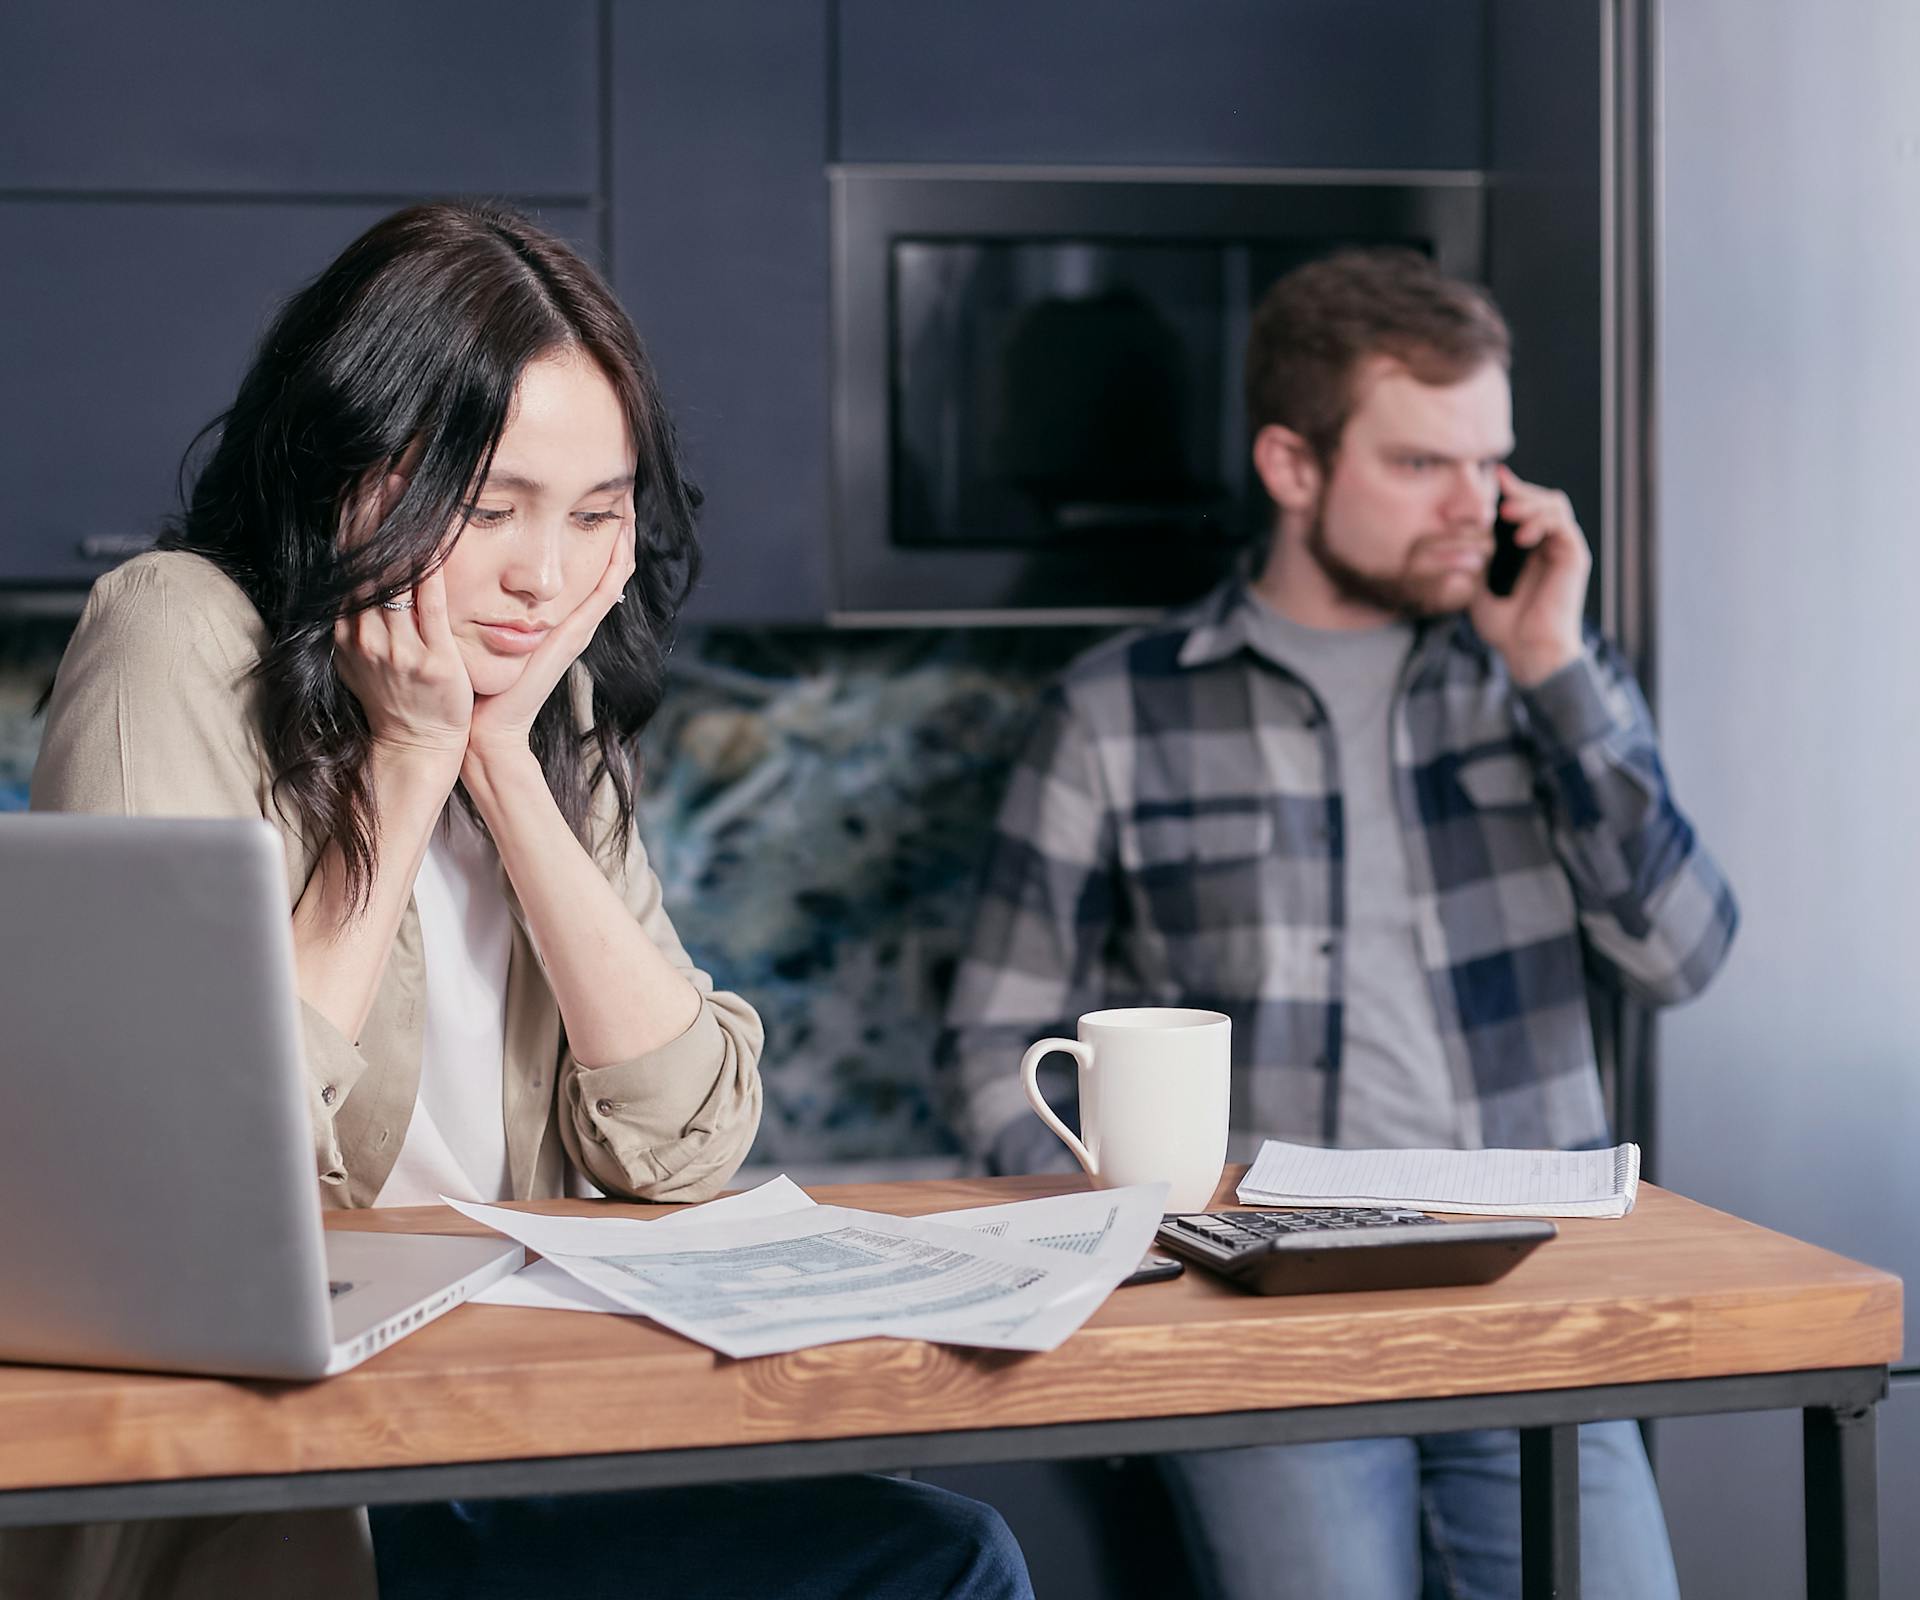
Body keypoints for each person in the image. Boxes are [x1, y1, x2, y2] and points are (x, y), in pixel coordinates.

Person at [8, 201, 1031, 1600]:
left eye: (594, 518)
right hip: (294, 1472)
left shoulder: (550, 700)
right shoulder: (177, 631)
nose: (543, 578)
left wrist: (500, 753)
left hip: (521, 1431)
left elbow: (684, 1142)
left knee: (944, 1557)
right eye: (492, 509)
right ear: (352, 474)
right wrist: (411, 761)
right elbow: (171, 1170)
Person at [938, 247, 1737, 1600]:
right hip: (1268, 1318)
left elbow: (1681, 952)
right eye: (1423, 464)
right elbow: (991, 1046)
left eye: (1492, 463)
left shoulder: (1543, 680)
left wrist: (1554, 668)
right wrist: (1150, 1232)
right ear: (1292, 468)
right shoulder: (1116, 711)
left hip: (1534, 1302)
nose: (1474, 507)